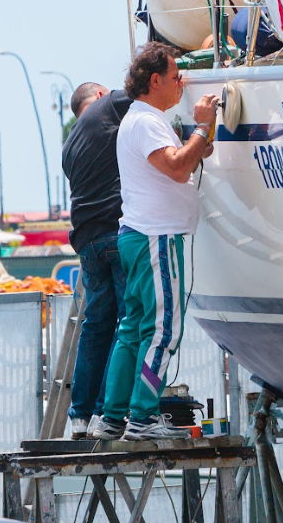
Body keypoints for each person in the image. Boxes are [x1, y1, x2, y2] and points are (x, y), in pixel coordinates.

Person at [95, 42, 217, 440]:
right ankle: (143, 417)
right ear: (155, 80)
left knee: (133, 329)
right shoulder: (147, 121)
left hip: (138, 235)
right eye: (176, 76)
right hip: (156, 238)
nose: (181, 83)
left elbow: (176, 161)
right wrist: (202, 127)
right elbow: (178, 169)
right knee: (164, 331)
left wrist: (197, 142)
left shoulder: (139, 119)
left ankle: (113, 417)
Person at [61, 81, 133, 440]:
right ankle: (109, 411)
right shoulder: (105, 108)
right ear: (100, 97)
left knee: (95, 327)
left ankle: (81, 416)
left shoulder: (70, 144)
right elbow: (141, 88)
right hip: (115, 233)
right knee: (128, 323)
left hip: (87, 242)